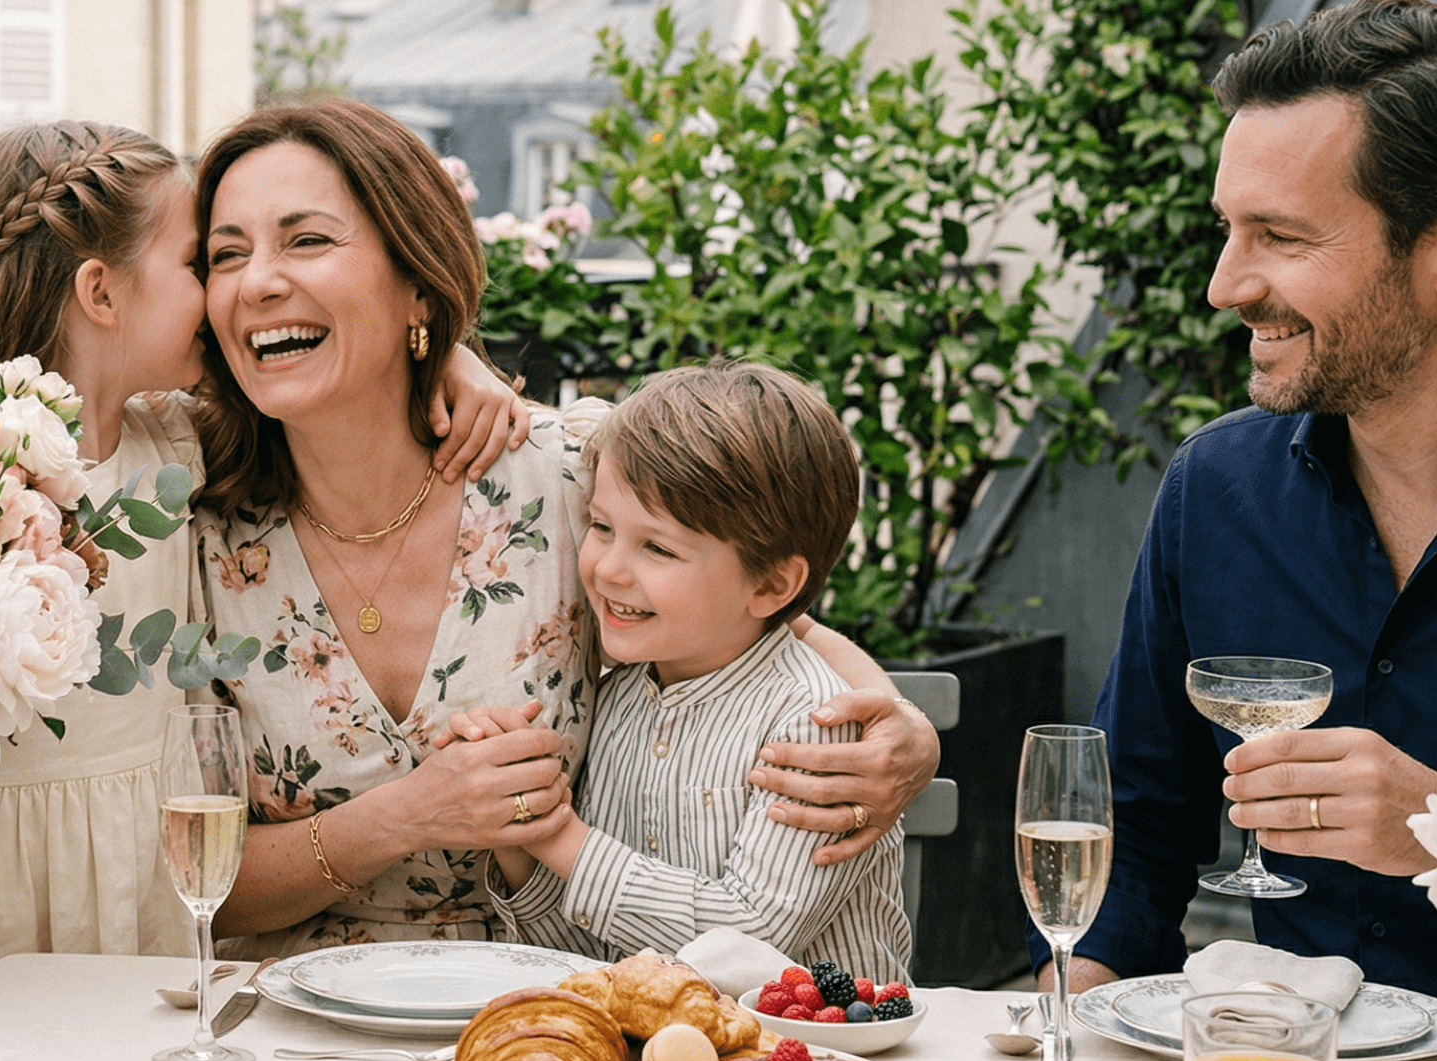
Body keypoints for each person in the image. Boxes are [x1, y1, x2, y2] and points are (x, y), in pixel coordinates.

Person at [0, 120, 532, 1034]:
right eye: (198, 264)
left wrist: (442, 345)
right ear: (101, 291)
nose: (225, 296)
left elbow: (334, 375)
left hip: (143, 890)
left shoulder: (170, 446)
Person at [193, 98, 940, 958]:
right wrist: (404, 815)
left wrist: (899, 728)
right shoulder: (191, 527)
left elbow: (762, 603)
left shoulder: (571, 474)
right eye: (226, 254)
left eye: (307, 240)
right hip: (287, 1021)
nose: (257, 281)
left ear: (416, 280)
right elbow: (190, 884)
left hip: (560, 1005)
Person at [1039, 0, 1437, 1008]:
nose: (1224, 284)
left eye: (1279, 235)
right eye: (1228, 228)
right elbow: (1134, 845)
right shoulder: (1215, 492)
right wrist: (1056, 1031)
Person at [477, 360, 911, 983]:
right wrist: (516, 829)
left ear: (770, 584)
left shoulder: (817, 727)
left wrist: (560, 839)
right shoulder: (617, 695)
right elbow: (590, 952)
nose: (609, 569)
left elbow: (753, 943)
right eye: (602, 527)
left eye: (657, 548)